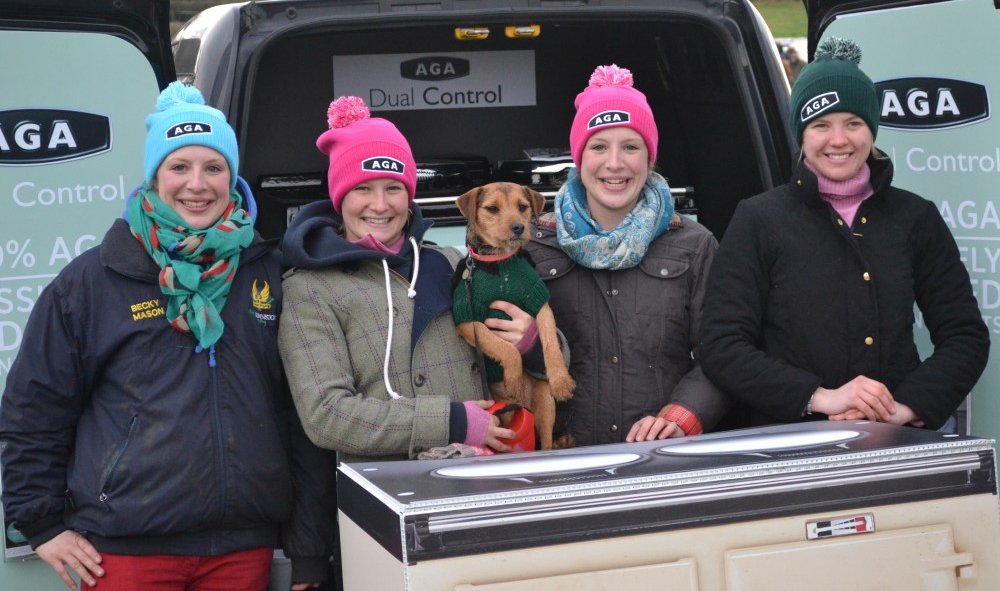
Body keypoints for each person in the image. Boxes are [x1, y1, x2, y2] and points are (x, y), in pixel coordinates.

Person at [0, 82, 333, 591]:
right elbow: (34, 409)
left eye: (213, 168)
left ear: (232, 176)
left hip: (242, 547)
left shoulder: (268, 272)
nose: (196, 184)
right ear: (155, 177)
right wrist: (40, 524)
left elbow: (301, 418)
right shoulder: (92, 281)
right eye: (179, 167)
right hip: (125, 549)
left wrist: (309, 549)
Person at [700, 37, 990, 429]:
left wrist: (904, 409)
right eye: (821, 125)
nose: (839, 140)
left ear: (871, 130)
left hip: (897, 440)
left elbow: (965, 336)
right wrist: (822, 398)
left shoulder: (915, 217)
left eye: (853, 123)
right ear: (802, 135)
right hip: (790, 444)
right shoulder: (759, 218)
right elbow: (721, 346)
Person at [278, 96, 540, 462]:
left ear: (410, 195)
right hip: (388, 493)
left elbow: (547, 351)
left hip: (490, 470)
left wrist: (535, 344)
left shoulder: (451, 262)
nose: (380, 205)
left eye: (393, 188)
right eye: (363, 189)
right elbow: (326, 415)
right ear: (340, 197)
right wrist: (449, 422)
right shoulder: (310, 287)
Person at [522, 64, 731, 447]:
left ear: (649, 159)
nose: (614, 164)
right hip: (559, 463)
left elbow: (724, 352)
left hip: (663, 463)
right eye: (599, 146)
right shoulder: (533, 245)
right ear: (579, 158)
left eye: (630, 147)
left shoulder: (694, 245)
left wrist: (684, 415)